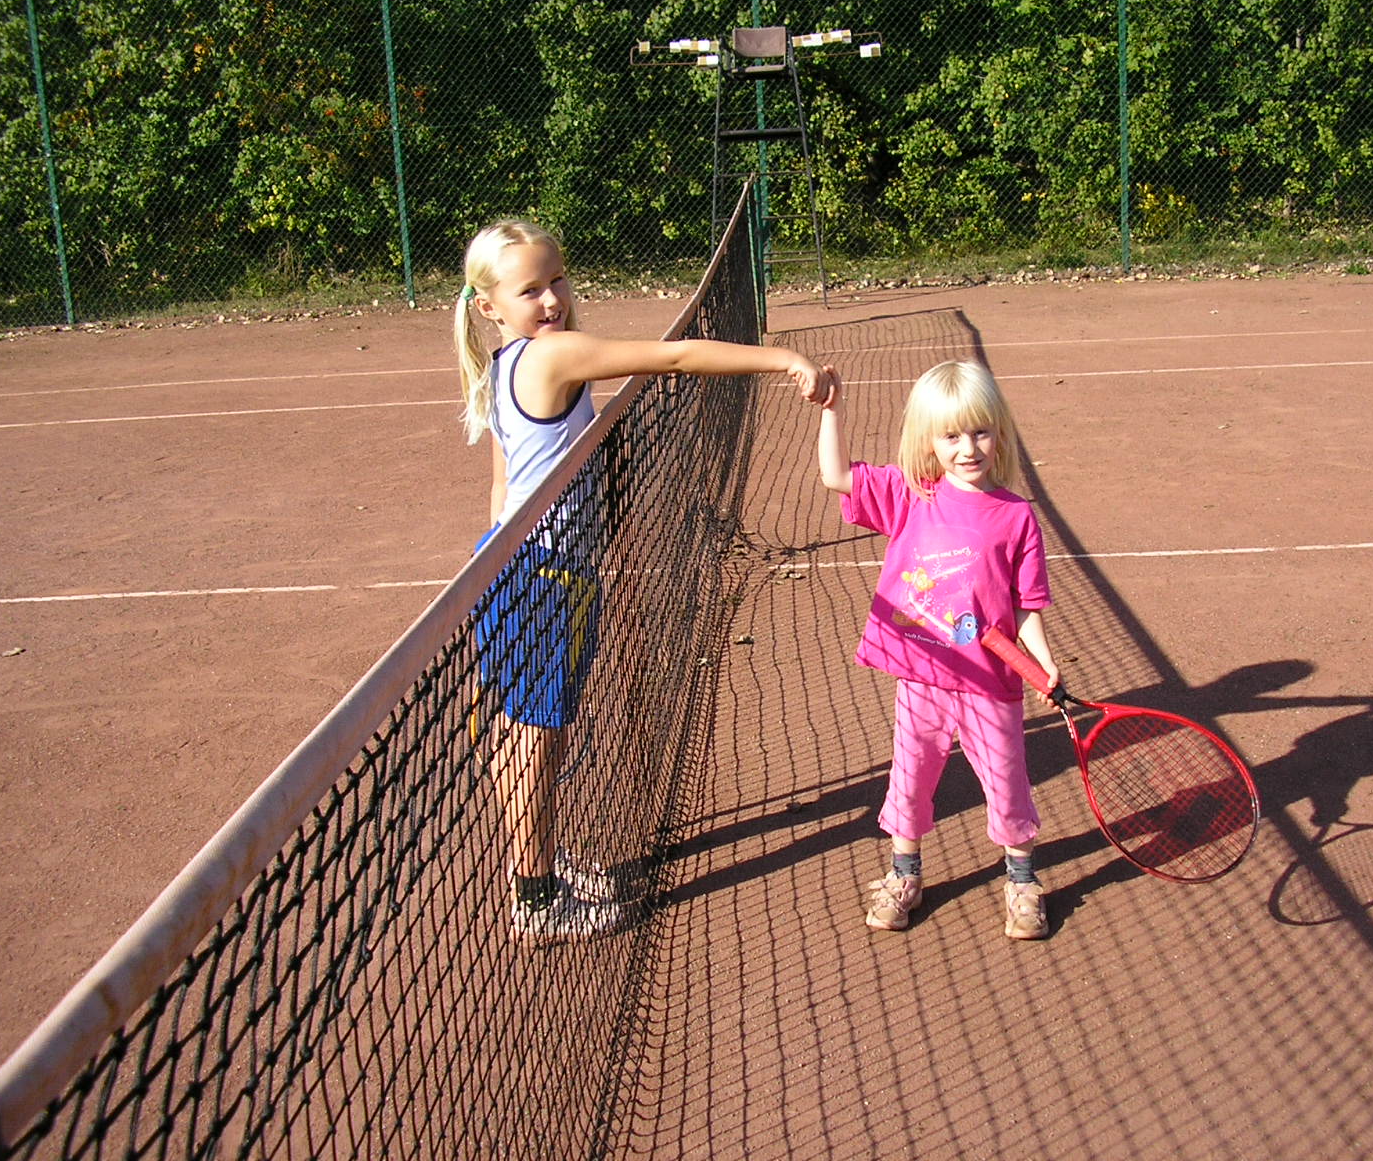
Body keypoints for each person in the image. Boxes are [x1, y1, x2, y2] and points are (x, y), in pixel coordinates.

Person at [455, 218, 831, 939]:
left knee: (523, 730)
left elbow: (501, 490)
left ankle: (537, 863)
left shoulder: (504, 364)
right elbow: (677, 356)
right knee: (536, 738)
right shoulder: (554, 354)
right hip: (546, 579)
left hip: (509, 566)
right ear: (489, 306)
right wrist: (781, 357)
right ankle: (536, 897)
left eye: (557, 279)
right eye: (529, 290)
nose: (552, 299)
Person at [817, 359, 1061, 939]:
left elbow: (1026, 604)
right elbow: (835, 476)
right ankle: (905, 873)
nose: (968, 448)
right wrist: (832, 411)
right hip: (921, 679)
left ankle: (1022, 880)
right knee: (910, 777)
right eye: (951, 436)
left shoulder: (1017, 517)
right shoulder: (909, 496)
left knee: (1007, 783)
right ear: (929, 439)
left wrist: (1044, 661)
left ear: (998, 432)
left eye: (979, 432)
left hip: (989, 684)